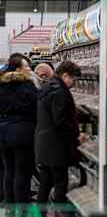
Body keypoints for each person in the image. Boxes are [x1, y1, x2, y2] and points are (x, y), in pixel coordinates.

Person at [35, 61, 82, 215]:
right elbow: (60, 121)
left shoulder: (47, 87)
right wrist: (76, 135)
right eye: (73, 80)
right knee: (61, 183)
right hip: (56, 146)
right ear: (65, 75)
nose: (73, 84)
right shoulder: (59, 91)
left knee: (46, 183)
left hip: (44, 143)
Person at [0, 54, 37, 213]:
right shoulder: (28, 86)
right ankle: (22, 207)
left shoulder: (2, 86)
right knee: (22, 171)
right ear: (19, 69)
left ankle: (10, 206)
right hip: (22, 133)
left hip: (3, 132)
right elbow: (35, 108)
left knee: (9, 170)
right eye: (26, 66)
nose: (29, 69)